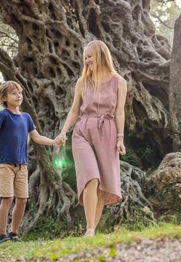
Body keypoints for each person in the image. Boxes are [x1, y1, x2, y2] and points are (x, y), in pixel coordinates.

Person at [57, 40, 127, 237]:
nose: (87, 60)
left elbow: (120, 113)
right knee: (91, 178)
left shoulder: (119, 82)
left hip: (108, 132)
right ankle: (89, 229)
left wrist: (120, 138)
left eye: (90, 56)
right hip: (83, 132)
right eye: (85, 57)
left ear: (101, 56)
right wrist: (63, 131)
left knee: (102, 183)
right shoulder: (82, 82)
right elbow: (73, 110)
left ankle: (92, 231)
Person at [0, 81, 64, 244]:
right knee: (7, 198)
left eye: (19, 92)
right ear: (4, 98)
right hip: (5, 165)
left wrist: (54, 141)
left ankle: (14, 233)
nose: (18, 95)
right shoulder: (3, 115)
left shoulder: (26, 117)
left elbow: (36, 137)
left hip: (22, 165)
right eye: (13, 93)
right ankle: (0, 235)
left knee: (22, 199)